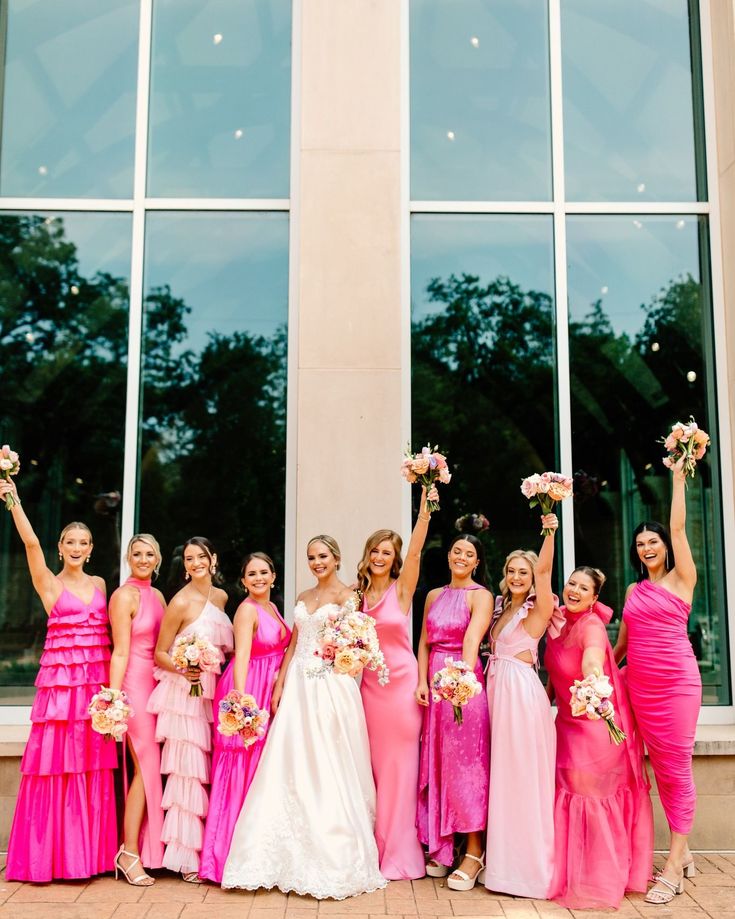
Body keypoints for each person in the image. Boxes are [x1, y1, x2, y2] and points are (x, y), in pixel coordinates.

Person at [222, 535, 386, 899]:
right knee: (290, 759)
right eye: (311, 557)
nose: (316, 562)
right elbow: (294, 644)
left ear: (337, 558)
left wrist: (343, 661)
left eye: (323, 556)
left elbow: (358, 645)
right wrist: (279, 684)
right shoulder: (301, 598)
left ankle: (332, 847)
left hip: (330, 684)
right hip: (298, 682)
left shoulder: (349, 597)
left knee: (327, 760)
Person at [1, 478, 117, 882]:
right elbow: (31, 544)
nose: (77, 548)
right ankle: (47, 859)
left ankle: (85, 858)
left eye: (84, 543)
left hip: (93, 690)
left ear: (91, 549)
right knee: (56, 767)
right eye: (70, 542)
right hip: (58, 693)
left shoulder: (101, 585)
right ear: (60, 548)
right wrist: (11, 498)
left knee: (89, 767)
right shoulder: (49, 583)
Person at [614, 456, 701, 904]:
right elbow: (622, 647)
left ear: (666, 546)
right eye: (640, 542)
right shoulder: (632, 591)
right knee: (650, 770)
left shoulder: (682, 579)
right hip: (638, 689)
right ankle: (680, 852)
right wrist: (601, 677)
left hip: (676, 685)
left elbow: (682, 528)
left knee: (676, 769)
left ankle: (675, 859)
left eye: (654, 541)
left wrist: (679, 475)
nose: (647, 547)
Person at [545, 565, 653, 908]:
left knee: (586, 795)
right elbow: (553, 669)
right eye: (571, 584)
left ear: (594, 598)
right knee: (567, 792)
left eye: (583, 588)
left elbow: (593, 657)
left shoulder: (591, 625)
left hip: (594, 724)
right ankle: (567, 868)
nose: (574, 590)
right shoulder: (558, 619)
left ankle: (597, 876)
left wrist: (594, 678)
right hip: (564, 722)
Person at [357, 485, 436, 880]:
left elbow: (418, 552)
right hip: (367, 691)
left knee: (400, 770)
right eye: (375, 550)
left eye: (387, 552)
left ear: (395, 559)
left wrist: (423, 511)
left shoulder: (401, 590)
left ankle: (401, 852)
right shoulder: (356, 596)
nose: (380, 557)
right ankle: (371, 847)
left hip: (402, 688)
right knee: (370, 770)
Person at [483, 514, 562, 900]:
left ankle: (529, 872)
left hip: (520, 696)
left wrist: (548, 532)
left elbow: (546, 573)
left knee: (522, 778)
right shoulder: (500, 608)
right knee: (502, 777)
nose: (517, 577)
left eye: (524, 572)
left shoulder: (538, 609)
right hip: (497, 692)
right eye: (512, 571)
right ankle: (502, 867)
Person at [199, 552, 291, 884]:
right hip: (249, 688)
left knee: (260, 772)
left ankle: (257, 854)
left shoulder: (272, 607)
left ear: (273, 576)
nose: (258, 578)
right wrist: (241, 703)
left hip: (268, 687)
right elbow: (241, 658)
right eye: (251, 574)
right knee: (240, 771)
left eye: (263, 572)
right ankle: (225, 859)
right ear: (243, 580)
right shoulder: (246, 610)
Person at [148, 536, 234, 882]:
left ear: (213, 559)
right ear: (183, 565)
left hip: (210, 692)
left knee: (206, 769)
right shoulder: (180, 602)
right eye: (188, 558)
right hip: (183, 694)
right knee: (187, 771)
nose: (195, 562)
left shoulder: (222, 597)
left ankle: (206, 850)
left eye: (201, 556)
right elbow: (160, 652)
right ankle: (185, 860)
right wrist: (186, 667)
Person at [415, 533, 492, 890]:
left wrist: (459, 682)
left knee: (466, 768)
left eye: (469, 554)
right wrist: (421, 682)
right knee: (439, 764)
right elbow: (423, 644)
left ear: (477, 562)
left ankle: (474, 852)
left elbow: (472, 641)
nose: (462, 557)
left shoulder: (482, 596)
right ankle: (444, 845)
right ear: (448, 557)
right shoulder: (433, 595)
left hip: (463, 684)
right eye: (457, 551)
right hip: (433, 684)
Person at [108, 533, 167, 886]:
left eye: (149, 554)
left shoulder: (158, 596)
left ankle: (145, 847)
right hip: (133, 685)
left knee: (153, 768)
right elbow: (119, 651)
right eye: (137, 554)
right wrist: (114, 699)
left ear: (158, 559)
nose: (143, 559)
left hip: (158, 686)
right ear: (128, 558)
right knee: (145, 766)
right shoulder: (123, 596)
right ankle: (129, 852)